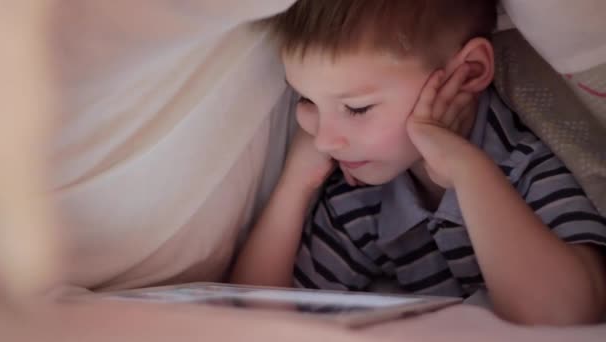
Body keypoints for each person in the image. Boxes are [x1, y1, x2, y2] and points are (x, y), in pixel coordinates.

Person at [231, 0, 606, 325]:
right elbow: (248, 316)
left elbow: (563, 320)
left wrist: (467, 170)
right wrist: (295, 183)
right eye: (307, 100)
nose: (325, 139)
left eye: (356, 108)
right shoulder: (361, 198)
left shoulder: (525, 160)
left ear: (470, 72)